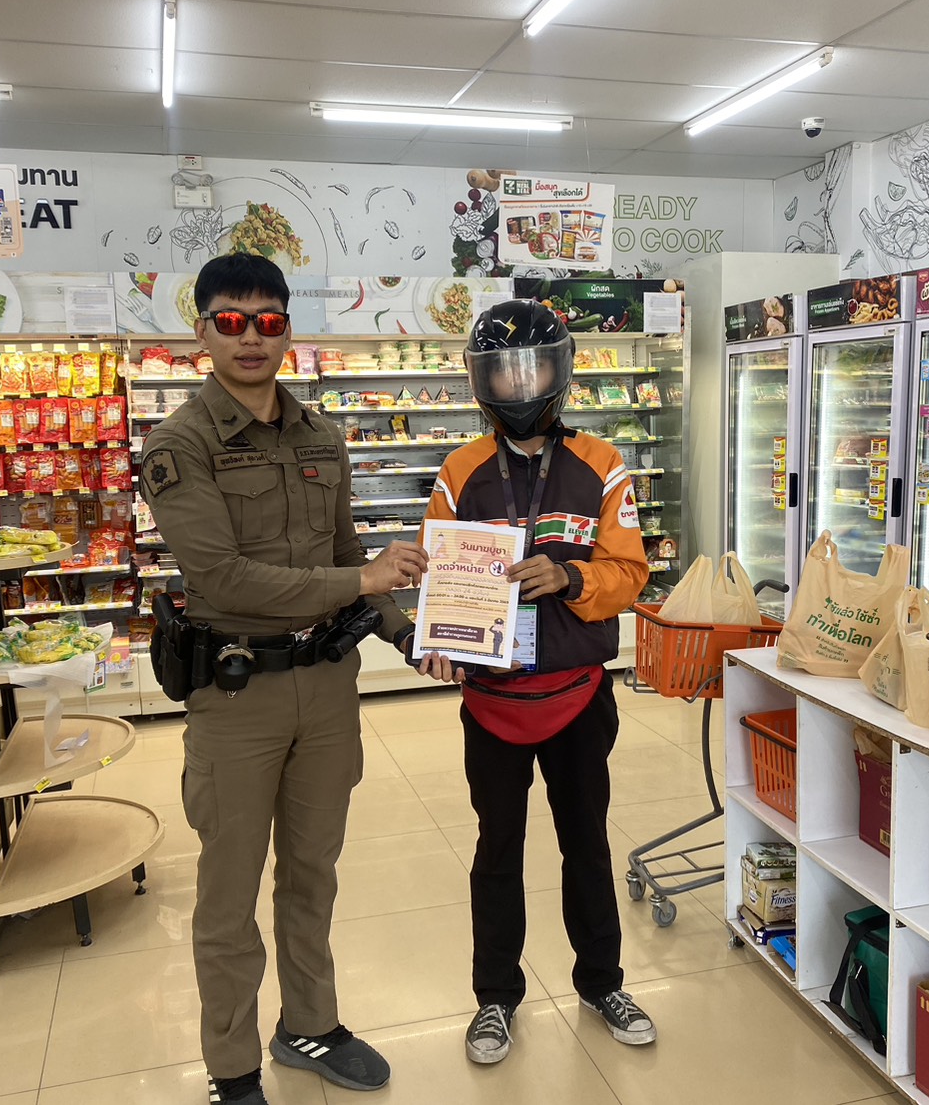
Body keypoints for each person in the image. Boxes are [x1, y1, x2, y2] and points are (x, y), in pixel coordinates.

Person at [138, 254, 427, 1105]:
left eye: (267, 321)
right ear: (201, 331)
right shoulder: (180, 444)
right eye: (230, 320)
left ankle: (309, 1024)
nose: (250, 337)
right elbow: (222, 577)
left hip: (327, 688)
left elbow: (345, 554)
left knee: (312, 872)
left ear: (287, 330)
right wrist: (362, 580)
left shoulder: (320, 437)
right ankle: (232, 1070)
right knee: (228, 892)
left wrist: (415, 635)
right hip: (237, 695)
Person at [411, 300, 655, 1065]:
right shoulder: (460, 471)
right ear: (478, 382)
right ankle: (495, 998)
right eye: (501, 373)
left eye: (533, 368)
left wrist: (570, 576)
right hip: (491, 703)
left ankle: (602, 983)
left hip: (577, 696)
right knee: (496, 850)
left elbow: (630, 573)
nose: (518, 386)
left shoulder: (601, 464)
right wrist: (436, 641)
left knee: (586, 845)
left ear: (560, 372)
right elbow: (436, 577)